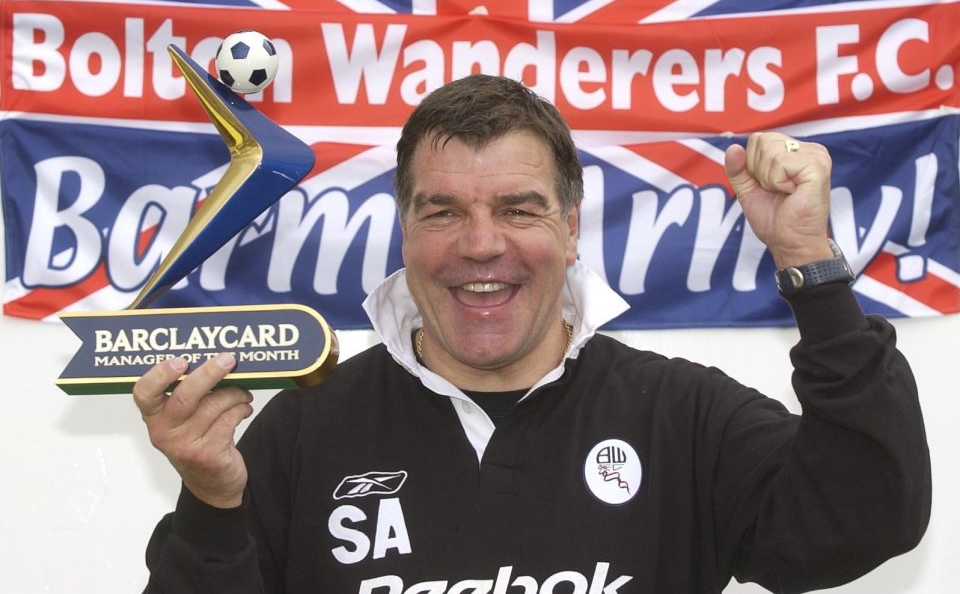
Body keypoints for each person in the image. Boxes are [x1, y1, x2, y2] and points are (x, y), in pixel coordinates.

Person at [135, 74, 931, 593]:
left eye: (519, 208)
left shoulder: (680, 415)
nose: (482, 245)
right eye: (443, 211)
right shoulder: (307, 427)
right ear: (404, 230)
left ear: (572, 225)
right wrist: (212, 504)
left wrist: (810, 263)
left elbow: (868, 516)